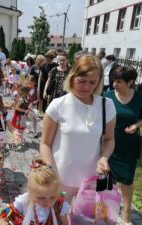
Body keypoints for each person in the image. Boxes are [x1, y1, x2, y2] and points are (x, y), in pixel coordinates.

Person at [39, 55, 116, 203]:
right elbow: (45, 144)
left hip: (91, 181)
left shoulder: (107, 105)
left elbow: (109, 139)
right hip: (60, 179)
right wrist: (48, 169)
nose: (86, 87)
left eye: (92, 82)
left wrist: (104, 157)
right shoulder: (58, 105)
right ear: (72, 77)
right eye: (82, 81)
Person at [105, 66, 142, 225]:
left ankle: (126, 213)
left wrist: (137, 125)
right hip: (108, 142)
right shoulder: (107, 96)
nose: (114, 85)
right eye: (113, 80)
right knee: (106, 178)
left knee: (127, 180)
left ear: (130, 82)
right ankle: (107, 210)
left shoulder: (140, 98)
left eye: (118, 81)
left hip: (128, 145)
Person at [0, 157, 69, 225]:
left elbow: (65, 223)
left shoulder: (59, 204)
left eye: (52, 197)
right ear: (31, 191)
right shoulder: (23, 202)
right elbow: (3, 218)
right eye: (41, 198)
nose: (48, 202)